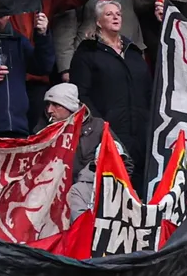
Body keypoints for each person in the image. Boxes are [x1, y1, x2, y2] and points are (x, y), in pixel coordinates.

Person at [69, 0, 154, 185]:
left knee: (140, 183)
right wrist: (101, 125)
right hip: (110, 132)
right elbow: (81, 95)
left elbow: (149, 90)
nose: (115, 17)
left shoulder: (134, 52)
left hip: (141, 132)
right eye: (109, 14)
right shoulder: (87, 53)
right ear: (98, 22)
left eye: (118, 14)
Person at [43, 82, 131, 218]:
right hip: (55, 200)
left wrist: (106, 191)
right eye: (48, 104)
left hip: (93, 197)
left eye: (56, 105)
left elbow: (125, 164)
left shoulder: (98, 127)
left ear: (70, 107)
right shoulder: (43, 132)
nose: (49, 110)